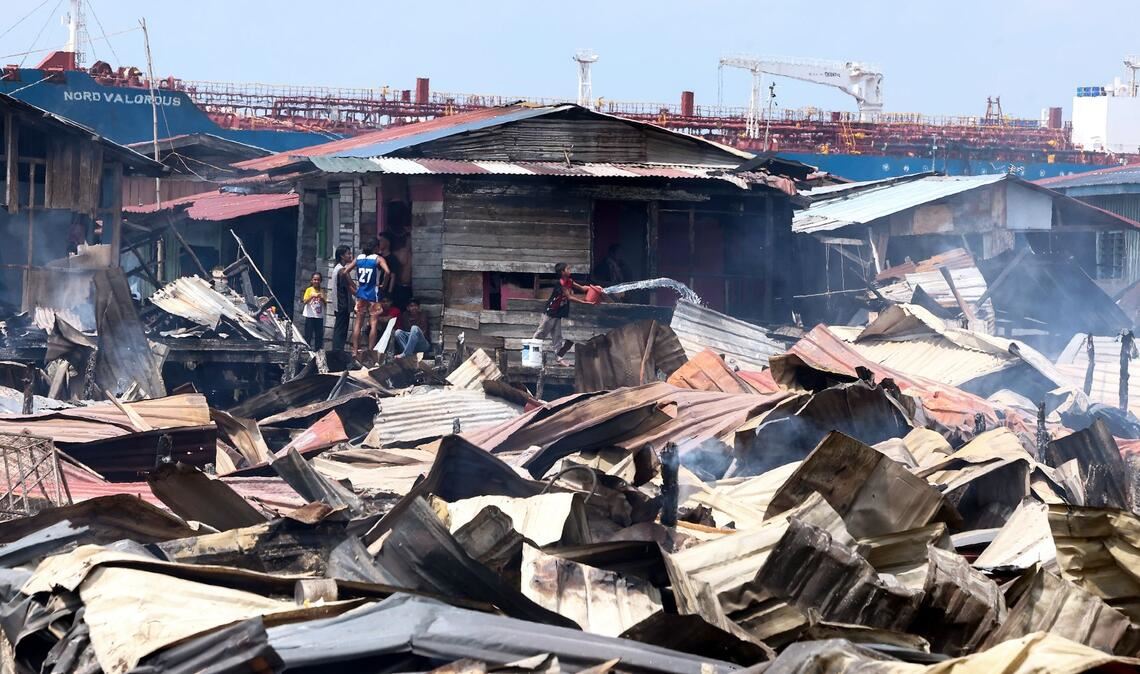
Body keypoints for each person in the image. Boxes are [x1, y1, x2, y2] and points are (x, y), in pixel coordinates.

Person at [533, 262, 592, 366]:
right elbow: (569, 297)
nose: (570, 270)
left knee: (557, 337)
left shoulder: (569, 281)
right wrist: (583, 302)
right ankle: (531, 356)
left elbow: (582, 288)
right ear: (562, 272)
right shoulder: (561, 283)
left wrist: (595, 288)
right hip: (550, 312)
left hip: (558, 313)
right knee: (540, 334)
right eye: (568, 269)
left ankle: (559, 359)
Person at [341, 238, 391, 359]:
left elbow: (345, 271)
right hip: (373, 294)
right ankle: (371, 351)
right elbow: (388, 272)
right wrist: (384, 285)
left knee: (358, 323)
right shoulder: (378, 259)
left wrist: (354, 286)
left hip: (361, 293)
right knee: (373, 323)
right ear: (376, 248)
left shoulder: (358, 258)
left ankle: (354, 350)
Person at [331, 245, 355, 352]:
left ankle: (338, 350)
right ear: (342, 256)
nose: (350, 256)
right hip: (341, 303)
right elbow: (350, 284)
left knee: (343, 328)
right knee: (340, 328)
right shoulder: (341, 269)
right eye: (348, 254)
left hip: (344, 303)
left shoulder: (339, 268)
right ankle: (337, 350)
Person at [300, 272, 326, 350]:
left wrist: (321, 298)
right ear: (311, 281)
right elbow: (304, 301)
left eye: (318, 280)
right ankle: (307, 350)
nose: (316, 281)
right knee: (308, 334)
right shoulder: (309, 290)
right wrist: (311, 296)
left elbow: (325, 303)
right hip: (310, 315)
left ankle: (318, 351)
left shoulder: (322, 290)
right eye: (314, 280)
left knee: (319, 335)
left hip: (319, 316)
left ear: (320, 281)